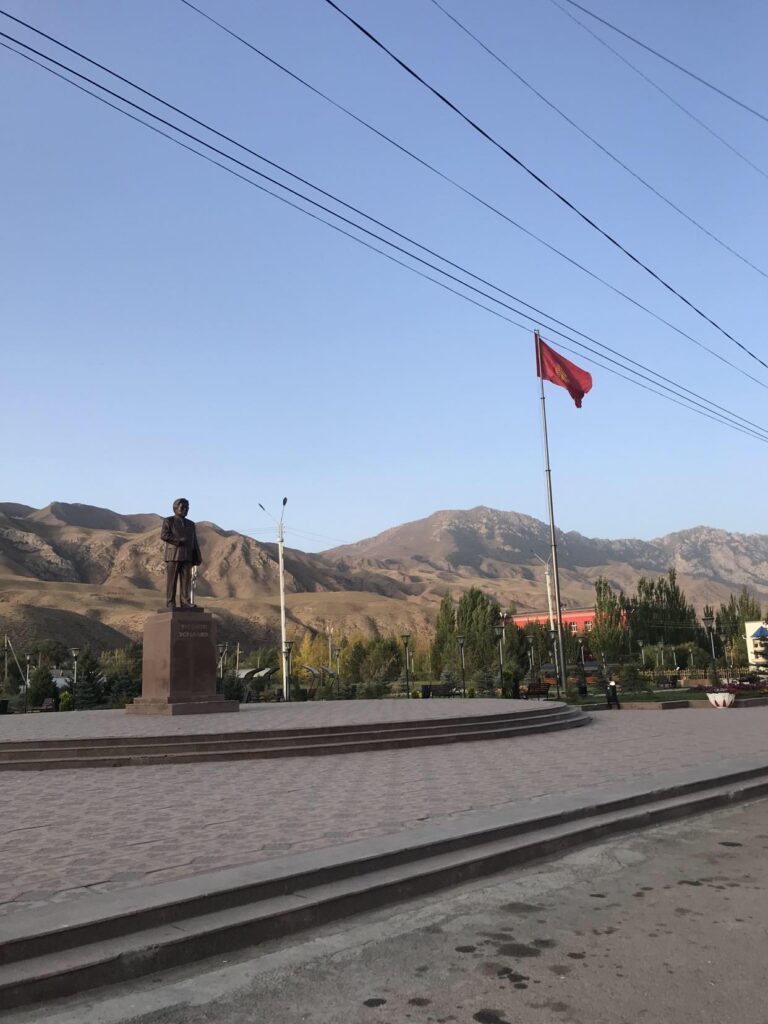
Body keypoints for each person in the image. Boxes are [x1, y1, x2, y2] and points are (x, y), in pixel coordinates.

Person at [161, 498, 202, 609]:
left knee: (186, 581)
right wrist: (178, 541)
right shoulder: (168, 521)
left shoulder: (191, 524)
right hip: (173, 555)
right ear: (175, 508)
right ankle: (170, 602)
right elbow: (164, 535)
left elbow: (194, 541)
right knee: (172, 581)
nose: (185, 509)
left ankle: (185, 602)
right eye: (182, 507)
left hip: (187, 556)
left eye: (187, 508)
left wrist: (197, 555)